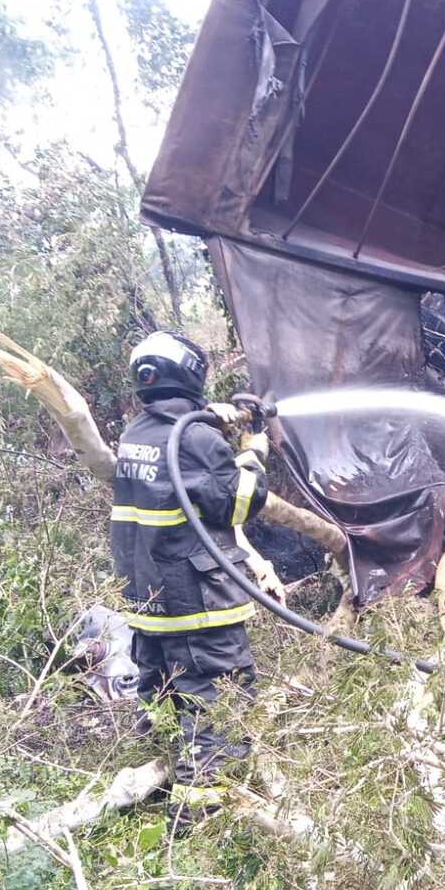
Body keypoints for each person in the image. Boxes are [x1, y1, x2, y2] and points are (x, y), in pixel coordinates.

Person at [111, 330, 283, 829]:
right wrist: (253, 447)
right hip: (198, 606)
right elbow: (239, 501)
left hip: (148, 600)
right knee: (216, 703)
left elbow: (185, 482)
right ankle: (197, 820)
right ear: (191, 372)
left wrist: (213, 421)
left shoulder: (137, 434)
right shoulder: (195, 437)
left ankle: (159, 778)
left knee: (166, 696)